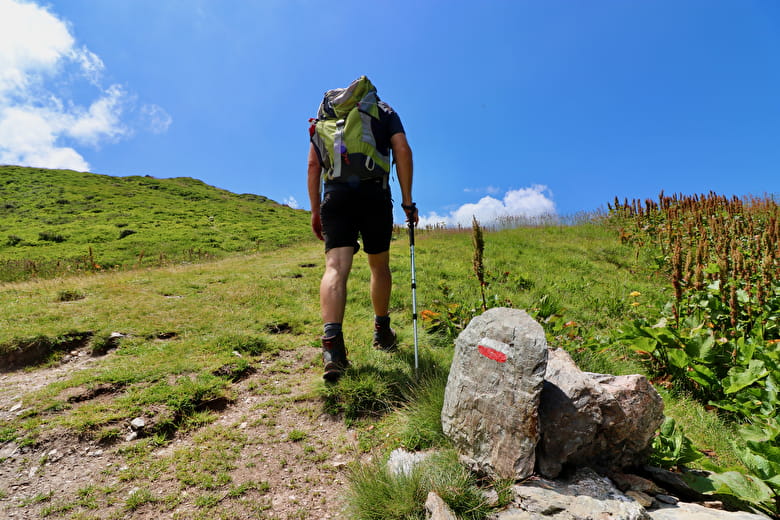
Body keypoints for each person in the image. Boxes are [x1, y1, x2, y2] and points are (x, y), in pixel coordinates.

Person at [307, 76, 418, 382]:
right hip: (374, 194)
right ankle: (382, 331)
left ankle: (332, 348)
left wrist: (316, 211)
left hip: (335, 196)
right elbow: (403, 151)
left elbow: (314, 166)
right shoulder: (384, 110)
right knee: (378, 266)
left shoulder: (326, 117)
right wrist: (408, 202)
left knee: (335, 267)